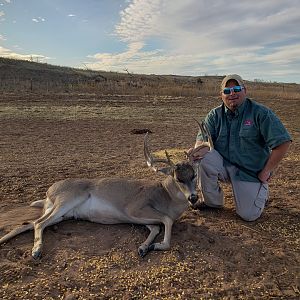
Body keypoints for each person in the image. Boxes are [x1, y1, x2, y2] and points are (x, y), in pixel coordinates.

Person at [188, 74, 292, 221]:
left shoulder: (260, 113)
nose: (232, 94)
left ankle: (261, 191)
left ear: (245, 90)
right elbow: (201, 142)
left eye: (236, 89)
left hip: (249, 172)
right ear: (221, 95)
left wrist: (266, 171)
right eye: (227, 91)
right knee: (203, 159)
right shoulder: (214, 115)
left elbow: (283, 143)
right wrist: (196, 152)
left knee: (248, 215)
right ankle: (213, 202)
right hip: (223, 165)